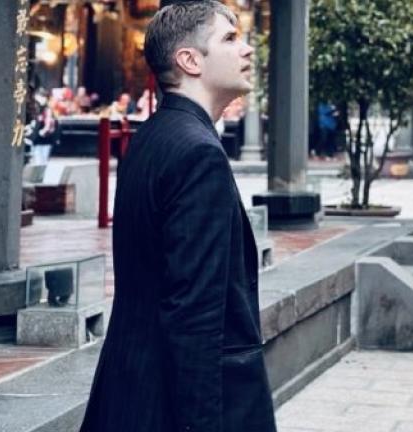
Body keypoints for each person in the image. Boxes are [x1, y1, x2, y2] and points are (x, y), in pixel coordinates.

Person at [80, 2, 277, 432]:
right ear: (189, 61)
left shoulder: (152, 136)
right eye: (229, 38)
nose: (247, 50)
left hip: (130, 382)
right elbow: (195, 313)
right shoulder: (198, 153)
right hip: (172, 405)